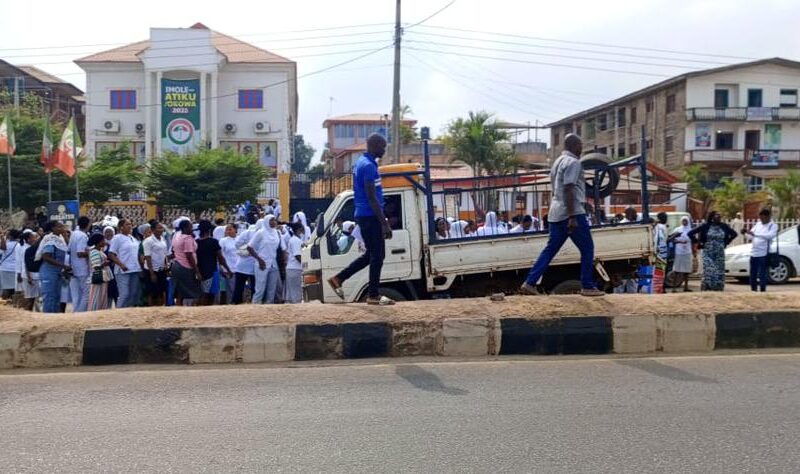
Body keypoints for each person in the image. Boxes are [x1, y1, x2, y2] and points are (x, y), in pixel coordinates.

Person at [520, 134, 604, 297]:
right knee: (587, 248)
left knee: (550, 250)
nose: (581, 149)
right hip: (571, 213)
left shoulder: (557, 162)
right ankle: (587, 285)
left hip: (555, 212)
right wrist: (572, 216)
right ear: (574, 146)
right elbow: (569, 188)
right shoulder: (574, 163)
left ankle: (529, 282)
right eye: (580, 146)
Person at [326, 134, 395, 305]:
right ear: (374, 146)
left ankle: (338, 279)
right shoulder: (369, 166)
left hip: (365, 215)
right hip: (370, 216)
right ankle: (373, 295)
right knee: (378, 256)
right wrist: (384, 223)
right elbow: (371, 197)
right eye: (382, 146)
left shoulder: (361, 163)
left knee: (371, 255)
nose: (384, 150)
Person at [688, 211, 737, 291]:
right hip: (708, 251)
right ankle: (707, 286)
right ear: (712, 218)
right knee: (709, 269)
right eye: (716, 216)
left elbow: (734, 234)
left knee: (719, 270)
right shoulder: (706, 226)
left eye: (719, 216)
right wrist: (698, 242)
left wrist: (726, 242)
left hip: (719, 252)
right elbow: (690, 233)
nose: (718, 218)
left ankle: (718, 287)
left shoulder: (724, 226)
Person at [247, 215, 284, 304]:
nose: (274, 222)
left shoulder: (276, 232)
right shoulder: (261, 233)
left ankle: (269, 307)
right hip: (262, 263)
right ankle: (255, 306)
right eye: (272, 220)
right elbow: (249, 247)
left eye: (275, 220)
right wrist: (259, 260)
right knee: (260, 288)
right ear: (267, 221)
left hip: (273, 263)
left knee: (272, 288)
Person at [35, 221, 71, 313]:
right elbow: (46, 256)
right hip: (49, 272)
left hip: (57, 273)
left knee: (56, 297)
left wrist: (65, 235)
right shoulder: (50, 239)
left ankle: (54, 319)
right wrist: (63, 265)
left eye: (63, 226)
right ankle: (47, 319)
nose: (62, 228)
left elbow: (69, 248)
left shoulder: (60, 239)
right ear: (53, 228)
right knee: (49, 298)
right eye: (59, 227)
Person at [196, 220, 232, 305]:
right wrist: (228, 269)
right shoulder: (213, 242)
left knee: (202, 293)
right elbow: (220, 258)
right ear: (209, 230)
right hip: (212, 271)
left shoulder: (196, 242)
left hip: (200, 270)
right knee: (210, 295)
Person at [107, 219, 142, 308]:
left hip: (135, 269)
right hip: (123, 270)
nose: (130, 226)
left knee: (133, 293)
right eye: (127, 224)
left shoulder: (132, 238)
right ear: (121, 227)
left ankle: (127, 312)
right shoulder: (117, 238)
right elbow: (111, 254)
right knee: (124, 294)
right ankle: (119, 312)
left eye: (130, 224)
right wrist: (121, 264)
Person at [745, 208, 778, 292]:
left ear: (768, 217)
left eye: (763, 218)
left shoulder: (773, 225)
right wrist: (746, 233)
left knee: (762, 273)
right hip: (754, 252)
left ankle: (762, 289)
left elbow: (769, 236)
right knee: (753, 272)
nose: (761, 220)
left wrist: (755, 234)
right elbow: (751, 236)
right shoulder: (758, 224)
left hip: (764, 253)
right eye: (760, 218)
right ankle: (753, 289)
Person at [171, 219, 202, 306]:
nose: (192, 228)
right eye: (190, 227)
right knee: (190, 290)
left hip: (177, 265)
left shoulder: (177, 236)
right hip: (186, 266)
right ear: (185, 228)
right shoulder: (187, 238)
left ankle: (181, 307)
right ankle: (188, 309)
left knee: (181, 290)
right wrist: (197, 271)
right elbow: (189, 255)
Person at [68, 216, 91, 312]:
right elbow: (80, 253)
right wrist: (91, 252)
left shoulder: (74, 234)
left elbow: (69, 250)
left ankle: (76, 311)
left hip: (75, 267)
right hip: (82, 268)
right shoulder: (82, 236)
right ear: (88, 224)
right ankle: (79, 313)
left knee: (78, 294)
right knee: (87, 293)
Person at [142, 222, 169, 306]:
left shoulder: (163, 239)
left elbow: (164, 254)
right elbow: (148, 257)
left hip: (161, 269)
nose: (161, 230)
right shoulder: (148, 241)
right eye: (159, 228)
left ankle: (162, 307)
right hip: (152, 270)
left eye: (162, 228)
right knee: (152, 292)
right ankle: (151, 309)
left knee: (162, 290)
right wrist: (152, 273)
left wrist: (166, 265)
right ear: (153, 230)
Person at [232, 219, 258, 304]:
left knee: (238, 287)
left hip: (241, 265)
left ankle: (236, 303)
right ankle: (253, 303)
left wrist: (245, 247)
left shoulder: (245, 233)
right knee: (254, 287)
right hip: (253, 265)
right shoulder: (259, 234)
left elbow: (236, 244)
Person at [668, 216, 693, 292]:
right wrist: (680, 242)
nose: (684, 222)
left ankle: (686, 287)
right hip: (679, 252)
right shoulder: (678, 230)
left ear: (688, 221)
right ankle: (674, 288)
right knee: (676, 270)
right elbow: (672, 240)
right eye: (683, 221)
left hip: (687, 252)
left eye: (686, 221)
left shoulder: (691, 230)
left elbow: (693, 240)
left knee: (686, 271)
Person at [86, 233, 111, 311]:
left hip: (103, 276)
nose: (104, 242)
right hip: (98, 277)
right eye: (103, 240)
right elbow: (96, 266)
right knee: (96, 296)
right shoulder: (94, 252)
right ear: (98, 242)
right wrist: (105, 263)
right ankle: (93, 312)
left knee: (102, 296)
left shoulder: (99, 251)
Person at [218, 224, 239, 304]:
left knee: (238, 289)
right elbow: (220, 255)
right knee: (230, 289)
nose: (228, 231)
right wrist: (222, 268)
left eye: (230, 229)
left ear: (235, 230)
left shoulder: (239, 239)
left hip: (239, 269)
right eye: (227, 229)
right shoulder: (223, 241)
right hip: (228, 269)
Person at [284, 222, 305, 304]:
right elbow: (297, 256)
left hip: (292, 269)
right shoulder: (296, 241)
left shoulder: (296, 239)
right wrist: (306, 264)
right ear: (299, 229)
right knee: (296, 293)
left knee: (291, 294)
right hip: (295, 269)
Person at [20, 230, 40, 311]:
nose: (35, 239)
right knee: (29, 298)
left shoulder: (28, 248)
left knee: (32, 297)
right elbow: (26, 264)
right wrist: (29, 277)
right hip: (28, 275)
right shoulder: (26, 249)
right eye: (33, 237)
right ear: (28, 239)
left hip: (30, 275)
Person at [0, 229, 21, 299]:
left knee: (5, 288)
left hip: (5, 269)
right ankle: (13, 304)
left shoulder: (6, 244)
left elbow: (2, 248)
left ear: (11, 236)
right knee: (14, 288)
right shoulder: (19, 245)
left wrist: (2, 236)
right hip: (15, 269)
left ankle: (4, 303)